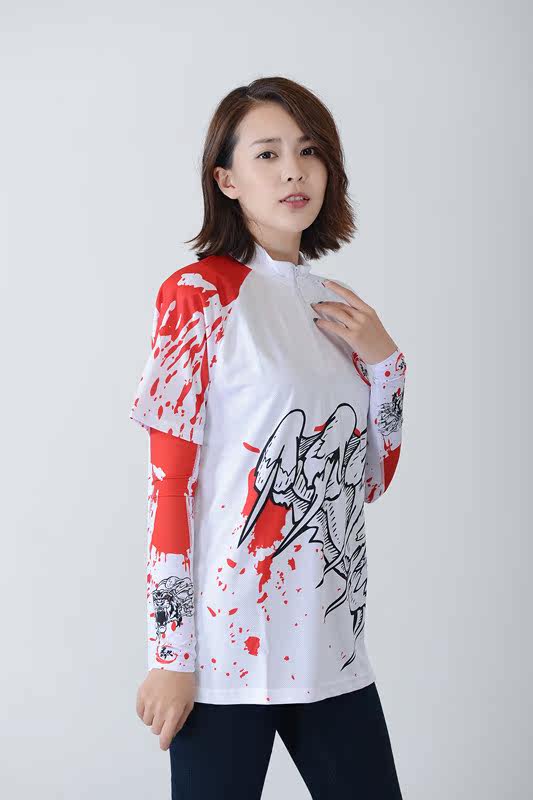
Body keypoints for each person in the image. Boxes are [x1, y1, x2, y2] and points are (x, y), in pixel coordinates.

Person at [129, 76, 406, 799]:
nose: (293, 171)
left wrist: (387, 364)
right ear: (226, 180)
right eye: (267, 153)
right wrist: (170, 653)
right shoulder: (199, 295)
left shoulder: (336, 308)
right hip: (225, 653)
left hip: (330, 648)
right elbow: (169, 486)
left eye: (309, 151)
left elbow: (368, 480)